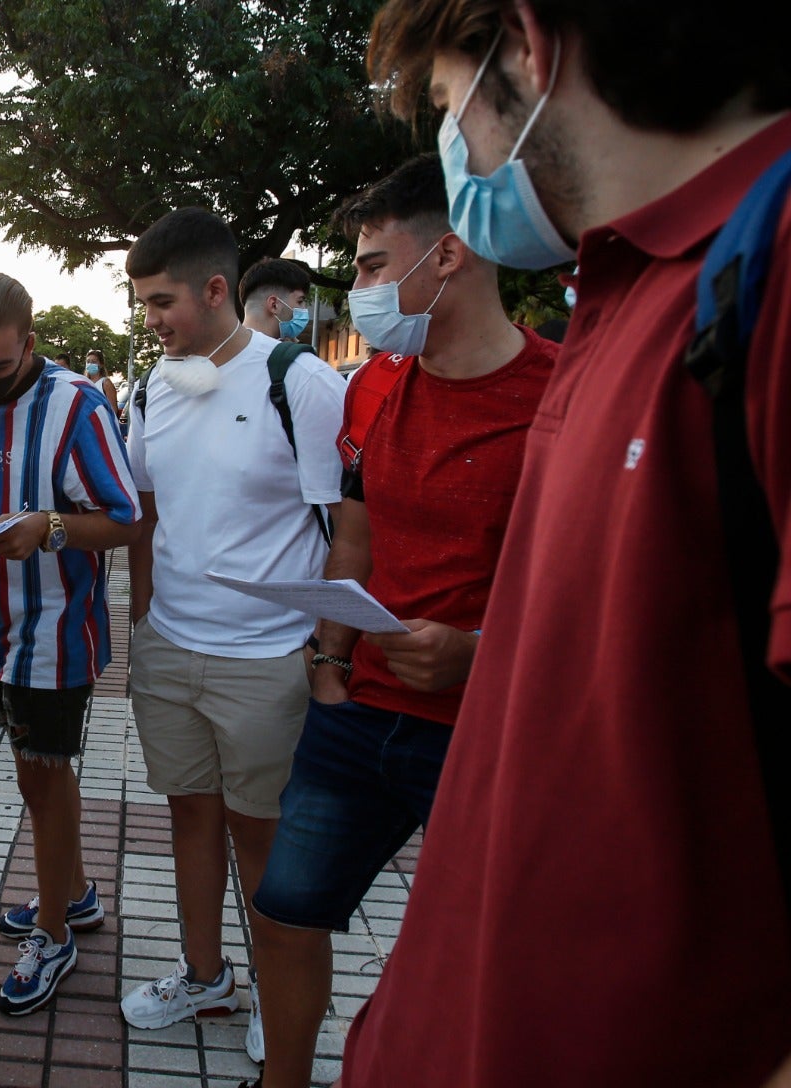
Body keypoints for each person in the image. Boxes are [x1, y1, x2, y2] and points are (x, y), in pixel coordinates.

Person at [332, 3, 791, 1087]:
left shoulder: (763, 278)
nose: (458, 152)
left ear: (528, 49)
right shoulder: (635, 289)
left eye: (448, 106)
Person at [247, 154, 557, 1088]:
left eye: (376, 265)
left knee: (478, 955)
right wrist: (327, 662)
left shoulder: (563, 393)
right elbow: (356, 533)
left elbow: (588, 583)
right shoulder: (374, 387)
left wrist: (479, 653)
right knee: (285, 910)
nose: (362, 291)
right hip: (358, 716)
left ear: (451, 255)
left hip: (490, 734)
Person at [120, 208, 345, 1067]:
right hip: (172, 651)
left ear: (217, 290)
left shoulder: (300, 382)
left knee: (263, 837)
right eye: (143, 304)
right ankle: (205, 975)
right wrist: (144, 611)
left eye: (162, 301)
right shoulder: (153, 388)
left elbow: (343, 529)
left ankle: (280, 999)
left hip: (270, 662)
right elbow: (142, 509)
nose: (151, 321)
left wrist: (326, 657)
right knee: (189, 817)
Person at [0, 272, 141, 1016]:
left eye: (0, 367)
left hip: (55, 634)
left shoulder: (77, 407)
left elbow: (126, 518)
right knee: (40, 779)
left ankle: (53, 933)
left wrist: (49, 526)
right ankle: (73, 893)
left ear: (29, 343)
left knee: (41, 784)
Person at [238, 258, 313, 342]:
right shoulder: (294, 354)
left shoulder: (225, 348)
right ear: (274, 305)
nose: (304, 309)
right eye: (300, 301)